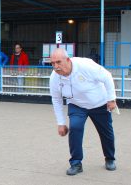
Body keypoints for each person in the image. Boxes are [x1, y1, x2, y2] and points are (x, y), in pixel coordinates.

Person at [49, 48, 117, 176]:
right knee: (75, 128)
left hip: (99, 104)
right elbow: (56, 99)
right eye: (52, 63)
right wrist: (61, 123)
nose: (55, 66)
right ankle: (76, 163)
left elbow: (107, 76)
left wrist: (111, 99)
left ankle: (110, 158)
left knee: (106, 132)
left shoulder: (85, 65)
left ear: (68, 60)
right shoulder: (54, 78)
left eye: (58, 62)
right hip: (77, 105)